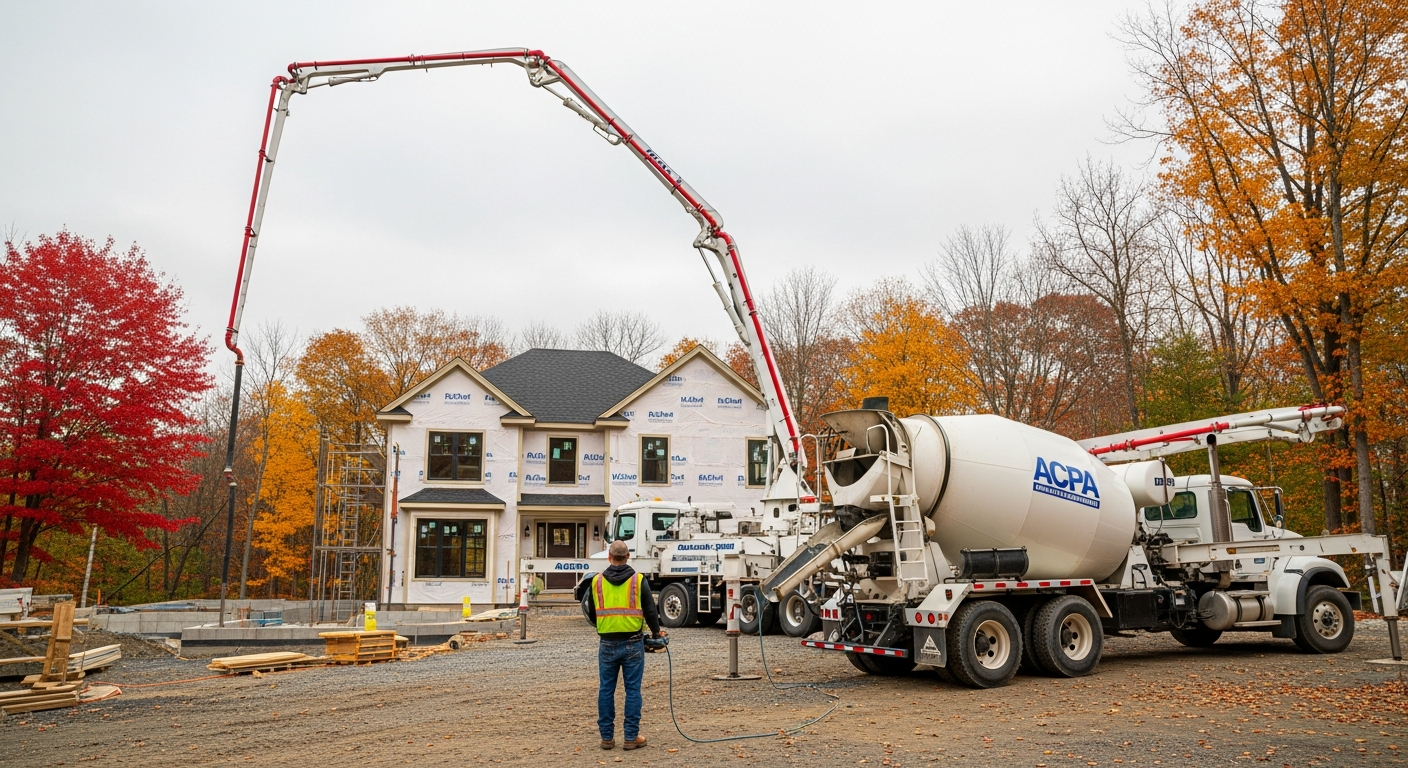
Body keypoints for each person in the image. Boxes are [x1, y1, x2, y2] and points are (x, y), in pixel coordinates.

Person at [584, 539, 666, 751]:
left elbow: (592, 612)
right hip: (633, 642)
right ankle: (630, 737)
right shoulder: (638, 581)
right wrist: (657, 634)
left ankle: (607, 738)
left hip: (607, 643)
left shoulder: (597, 582)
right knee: (632, 690)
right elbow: (650, 610)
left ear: (609, 557)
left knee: (606, 689)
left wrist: (604, 625)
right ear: (628, 556)